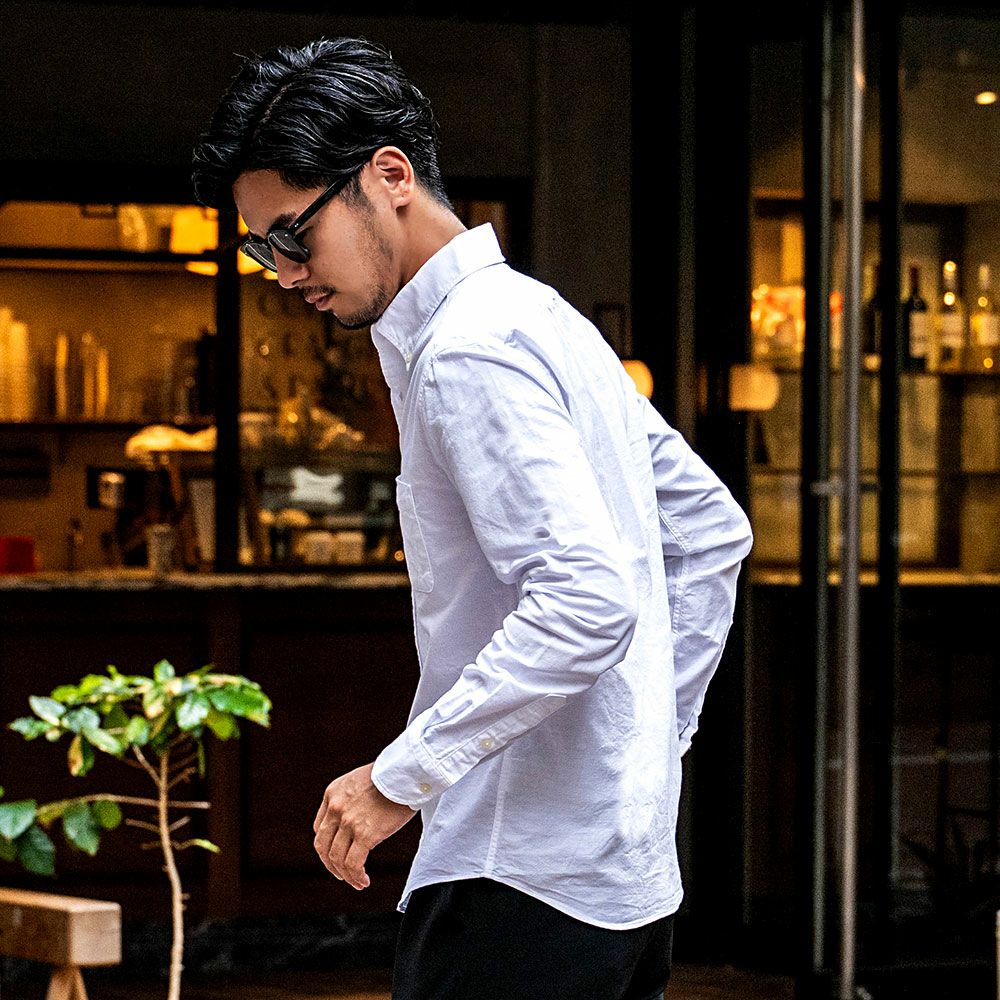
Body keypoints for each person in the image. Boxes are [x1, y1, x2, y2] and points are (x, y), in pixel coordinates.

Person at [192, 35, 753, 1000]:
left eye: (293, 236)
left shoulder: (466, 350)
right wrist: (643, 749)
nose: (283, 273)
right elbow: (709, 531)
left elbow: (587, 597)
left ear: (390, 177)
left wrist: (398, 776)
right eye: (261, 249)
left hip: (515, 881)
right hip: (617, 885)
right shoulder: (540, 316)